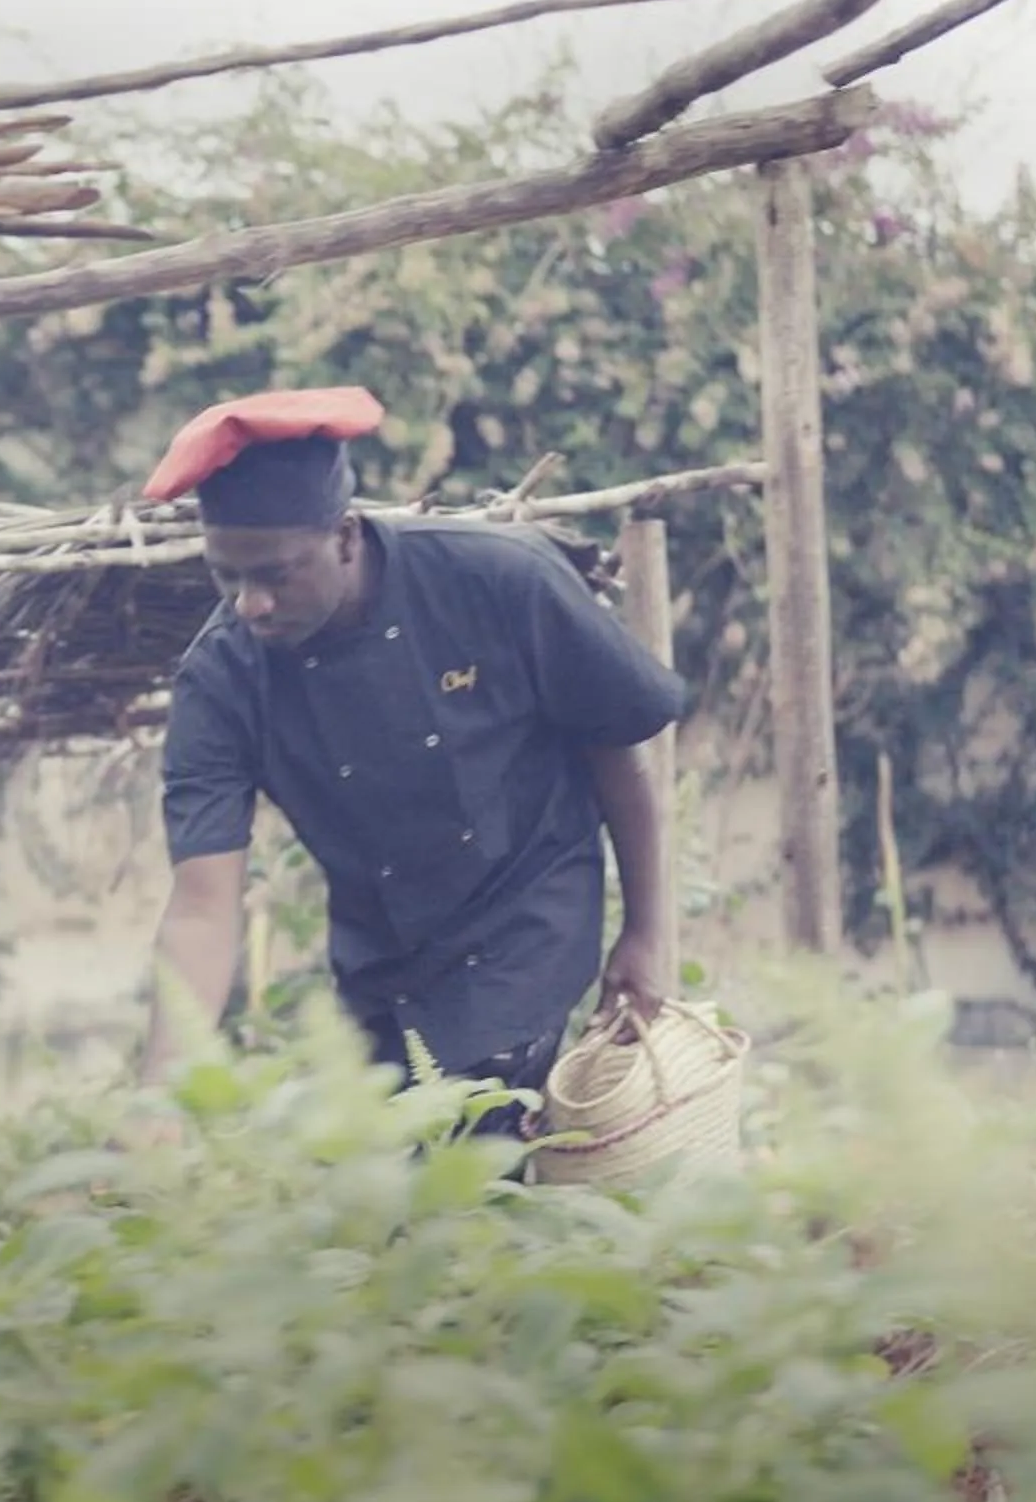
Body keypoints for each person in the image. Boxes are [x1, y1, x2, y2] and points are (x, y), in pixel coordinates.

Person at [137, 385, 690, 1140]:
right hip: (381, 967)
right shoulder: (220, 680)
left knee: (475, 1142)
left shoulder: (499, 580)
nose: (249, 605)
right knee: (376, 1172)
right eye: (226, 577)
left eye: (274, 574)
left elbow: (617, 749)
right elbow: (202, 905)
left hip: (528, 922)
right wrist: (161, 1096)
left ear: (345, 536)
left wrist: (647, 932)